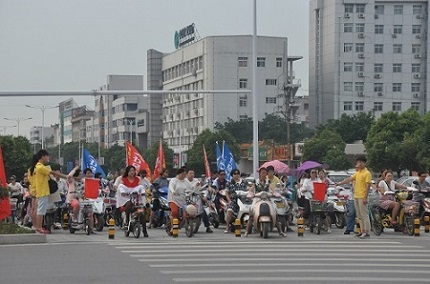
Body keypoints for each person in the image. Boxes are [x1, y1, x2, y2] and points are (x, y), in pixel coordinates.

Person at [33, 149, 70, 234]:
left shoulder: (39, 166)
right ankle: (39, 227)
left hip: (43, 191)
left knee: (41, 210)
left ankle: (39, 227)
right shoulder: (40, 167)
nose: (48, 158)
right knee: (41, 211)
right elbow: (52, 172)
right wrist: (65, 176)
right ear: (42, 156)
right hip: (42, 191)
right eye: (47, 156)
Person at [336, 156, 372, 239]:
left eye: (360, 162)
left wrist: (365, 197)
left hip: (362, 196)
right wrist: (340, 183)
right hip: (356, 196)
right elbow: (350, 179)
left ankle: (366, 232)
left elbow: (368, 186)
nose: (359, 164)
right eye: (358, 162)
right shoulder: (357, 173)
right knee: (359, 216)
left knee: (364, 215)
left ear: (364, 163)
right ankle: (362, 231)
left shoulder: (367, 173)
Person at [244, 167, 285, 237]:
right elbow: (251, 189)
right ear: (259, 173)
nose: (263, 174)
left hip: (267, 199)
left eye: (265, 172)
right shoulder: (256, 181)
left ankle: (280, 231)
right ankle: (247, 232)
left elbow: (272, 188)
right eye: (262, 172)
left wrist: (275, 193)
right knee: (251, 213)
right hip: (257, 199)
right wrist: (250, 193)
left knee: (275, 211)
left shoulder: (268, 182)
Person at [117, 165, 148, 237]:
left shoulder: (138, 179)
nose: (132, 172)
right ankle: (127, 220)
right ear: (127, 172)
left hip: (136, 198)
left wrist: (142, 193)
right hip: (127, 198)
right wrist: (124, 192)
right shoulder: (123, 179)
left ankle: (144, 230)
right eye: (130, 171)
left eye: (133, 171)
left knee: (142, 213)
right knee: (128, 204)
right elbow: (120, 188)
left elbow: (141, 188)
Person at [186, 169, 213, 233]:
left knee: (203, 211)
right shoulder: (184, 181)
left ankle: (207, 227)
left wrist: (203, 196)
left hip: (196, 197)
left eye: (193, 173)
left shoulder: (197, 181)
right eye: (190, 173)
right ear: (187, 174)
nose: (192, 175)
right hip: (187, 198)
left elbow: (200, 189)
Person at [167, 168, 191, 234]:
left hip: (183, 200)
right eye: (183, 174)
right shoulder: (173, 180)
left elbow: (190, 188)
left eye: (185, 174)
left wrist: (190, 192)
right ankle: (172, 227)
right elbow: (171, 187)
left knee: (186, 214)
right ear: (179, 174)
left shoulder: (186, 181)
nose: (184, 176)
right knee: (174, 212)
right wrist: (173, 191)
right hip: (173, 199)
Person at [224, 169, 247, 233]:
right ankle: (227, 226)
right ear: (232, 175)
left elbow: (248, 190)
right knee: (229, 210)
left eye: (237, 173)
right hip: (234, 201)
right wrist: (229, 200)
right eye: (235, 173)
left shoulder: (244, 182)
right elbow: (226, 192)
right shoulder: (229, 183)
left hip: (243, 201)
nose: (236, 175)